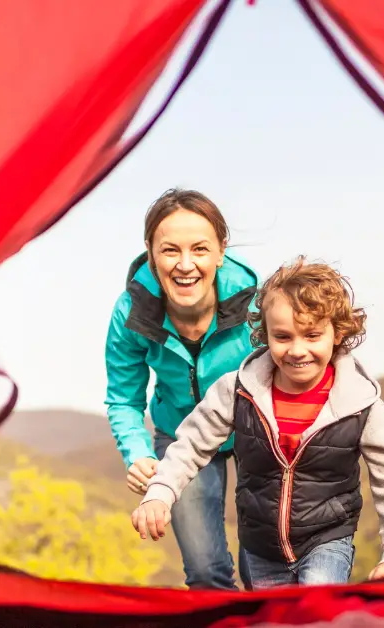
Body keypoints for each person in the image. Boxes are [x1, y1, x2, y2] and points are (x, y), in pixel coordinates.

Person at [130, 257, 384, 590]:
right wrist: (160, 493)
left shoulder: (359, 403)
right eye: (283, 337)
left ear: (338, 333)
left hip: (326, 538)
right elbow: (192, 444)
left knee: (315, 615)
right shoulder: (239, 389)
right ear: (264, 333)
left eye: (312, 335)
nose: (298, 350)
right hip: (261, 547)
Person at [104, 188, 259, 590]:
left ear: (221, 252)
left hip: (254, 435)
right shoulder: (132, 312)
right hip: (179, 437)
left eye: (200, 249)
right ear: (151, 253)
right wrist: (137, 454)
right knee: (206, 572)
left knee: (261, 569)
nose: (185, 265)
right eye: (170, 250)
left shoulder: (256, 306)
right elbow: (123, 397)